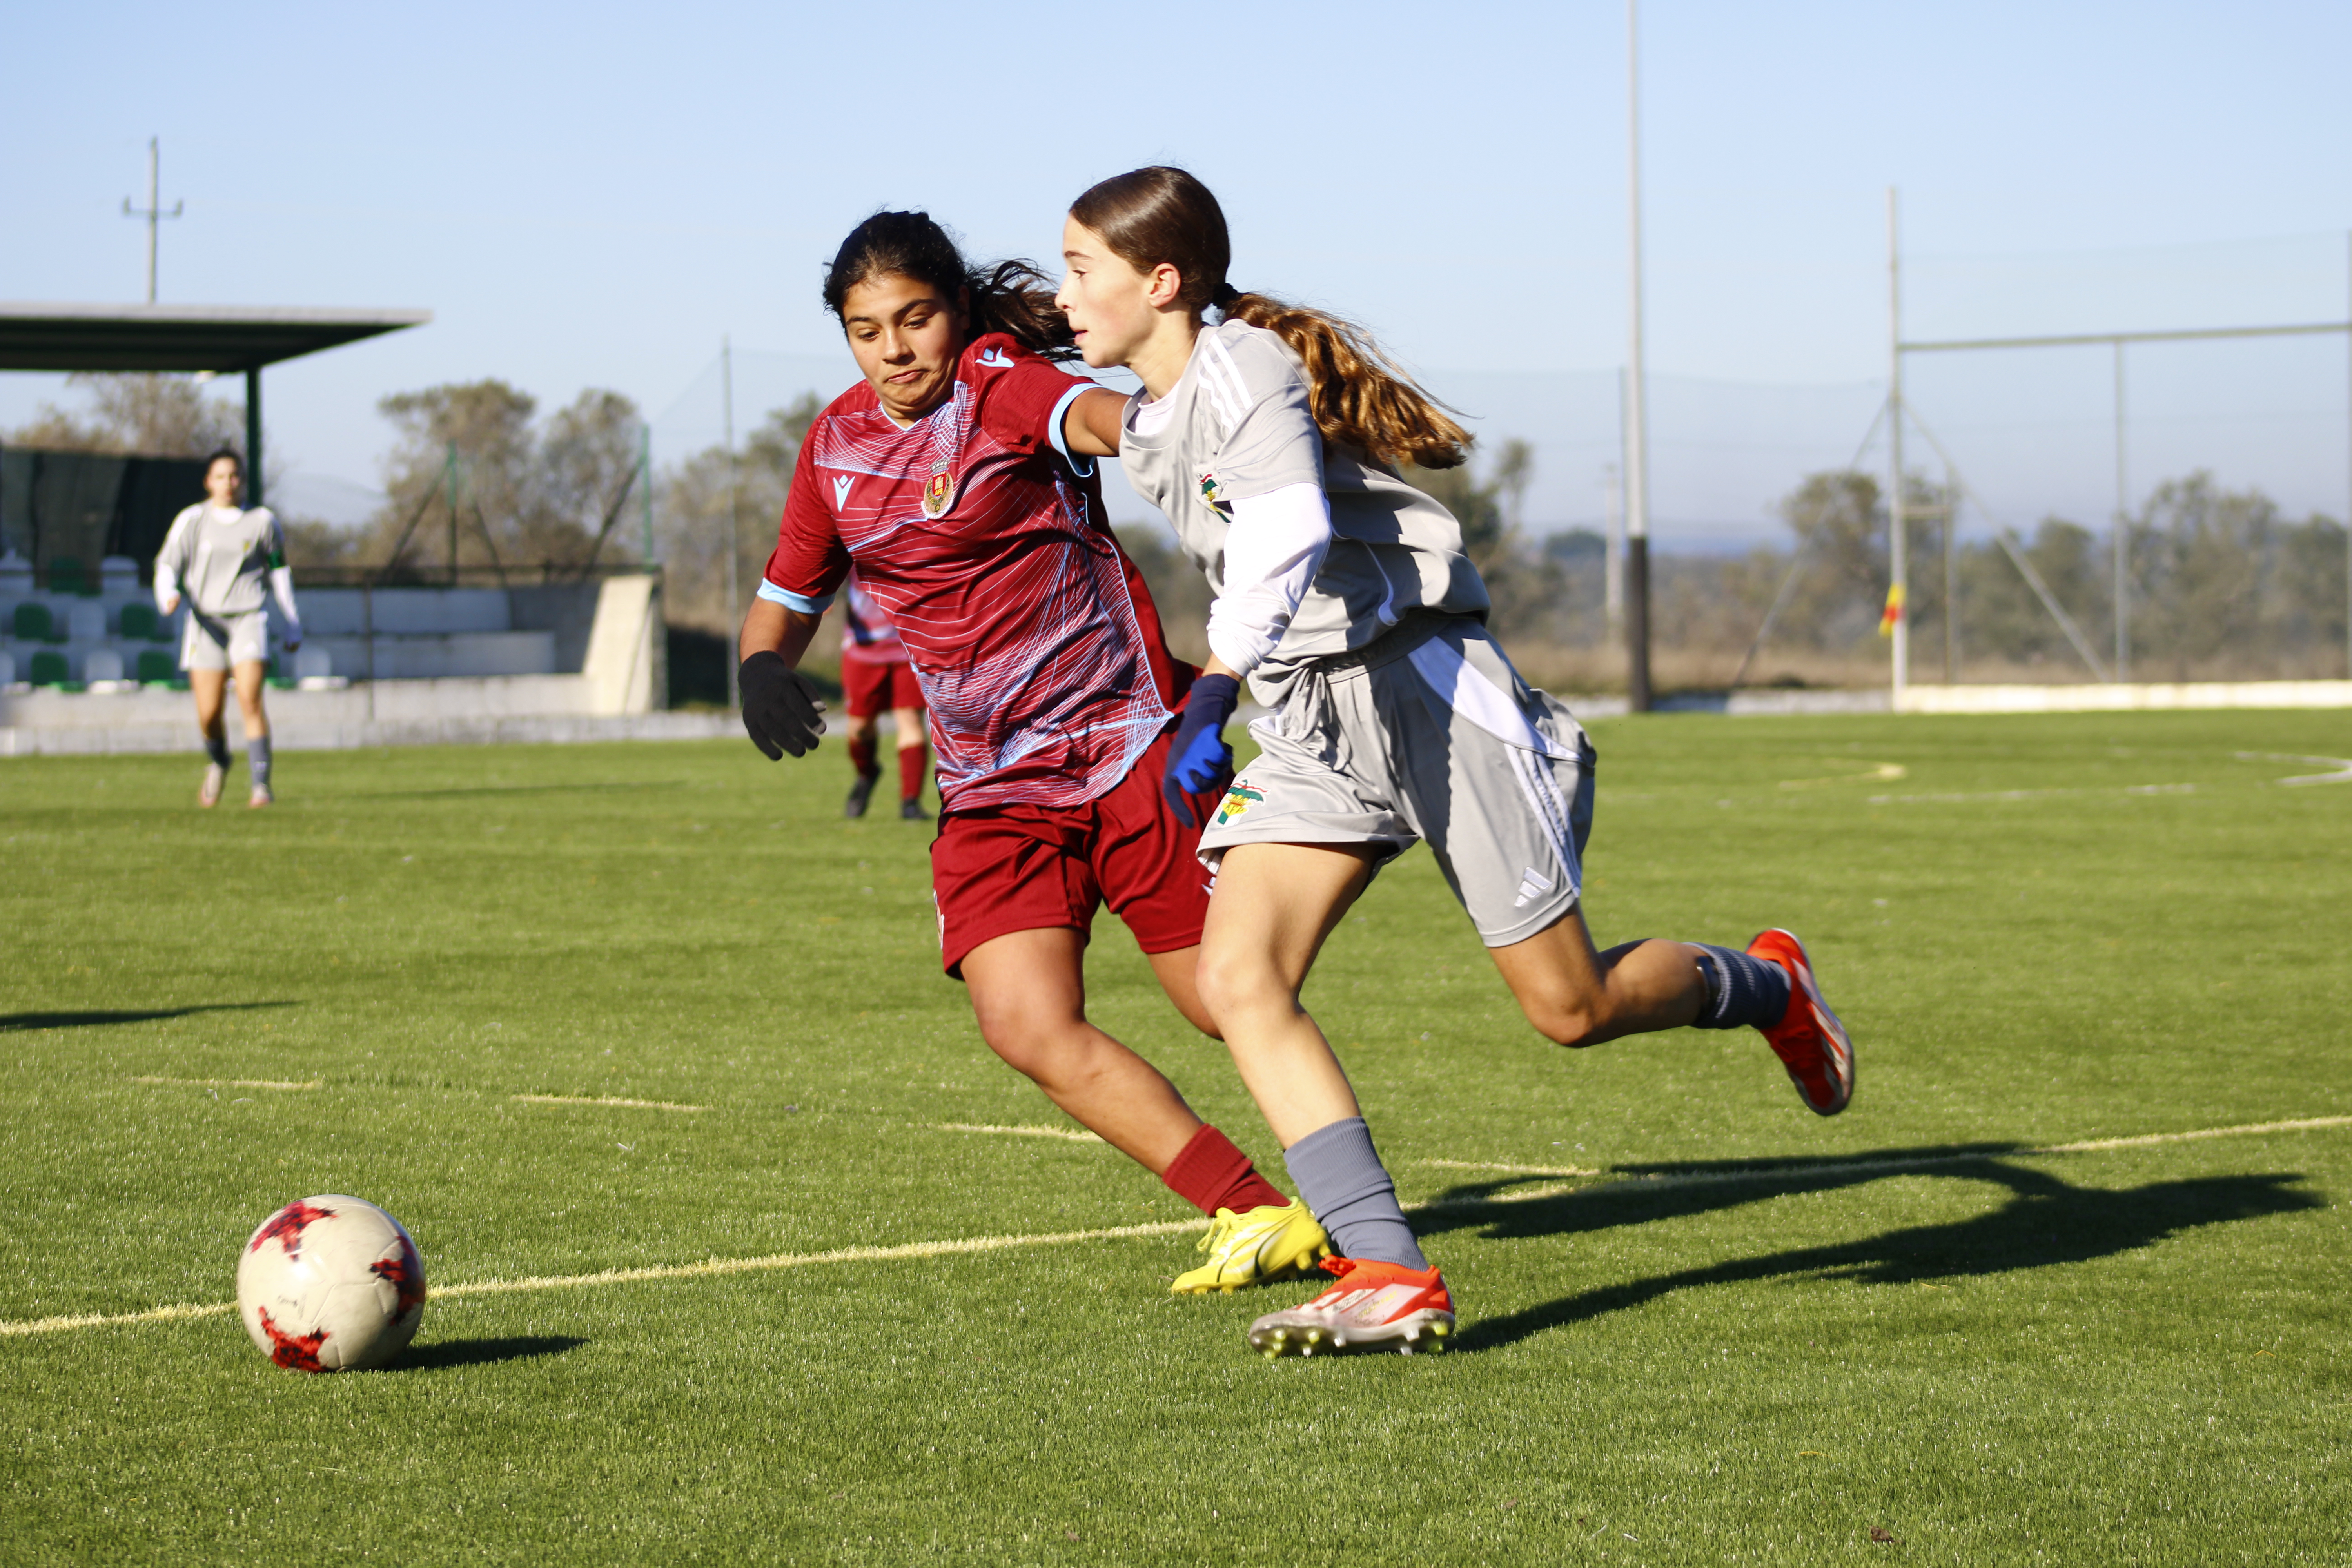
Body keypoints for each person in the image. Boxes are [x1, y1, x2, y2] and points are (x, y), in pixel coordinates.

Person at [1055, 166, 1856, 1358]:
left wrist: (1214, 681)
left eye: (1080, 270)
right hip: (1317, 722)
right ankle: (1386, 1268)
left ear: (1159, 282)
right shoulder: (1161, 408)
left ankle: (1770, 987)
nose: (1068, 295)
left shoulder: (1244, 369)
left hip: (1427, 694)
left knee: (1568, 1010)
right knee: (1238, 981)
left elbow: (1288, 527)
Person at [737, 210, 1329, 1294]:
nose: (897, 349)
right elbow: (786, 593)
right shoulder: (834, 448)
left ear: (956, 312)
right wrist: (763, 668)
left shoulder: (1000, 383)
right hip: (994, 788)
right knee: (1023, 1022)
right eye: (868, 331)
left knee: (1221, 1001)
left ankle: (1324, 870)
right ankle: (1251, 1210)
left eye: (915, 319)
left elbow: (1099, 417)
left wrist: (1190, 423)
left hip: (1124, 748)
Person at [153, 449, 301, 809]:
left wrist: (293, 622)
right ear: (208, 482)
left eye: (234, 476)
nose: (228, 483)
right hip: (205, 622)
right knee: (209, 714)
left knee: (250, 698)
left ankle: (261, 787)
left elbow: (280, 572)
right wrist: (167, 594)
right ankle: (219, 760)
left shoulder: (263, 521)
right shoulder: (192, 520)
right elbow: (167, 566)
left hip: (248, 618)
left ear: (242, 480)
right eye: (220, 477)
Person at [836, 569, 931, 819]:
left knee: (910, 719)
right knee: (860, 727)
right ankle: (867, 773)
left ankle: (910, 803)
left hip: (907, 650)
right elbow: (824, 572)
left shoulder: (912, 542)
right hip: (863, 652)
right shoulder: (855, 544)